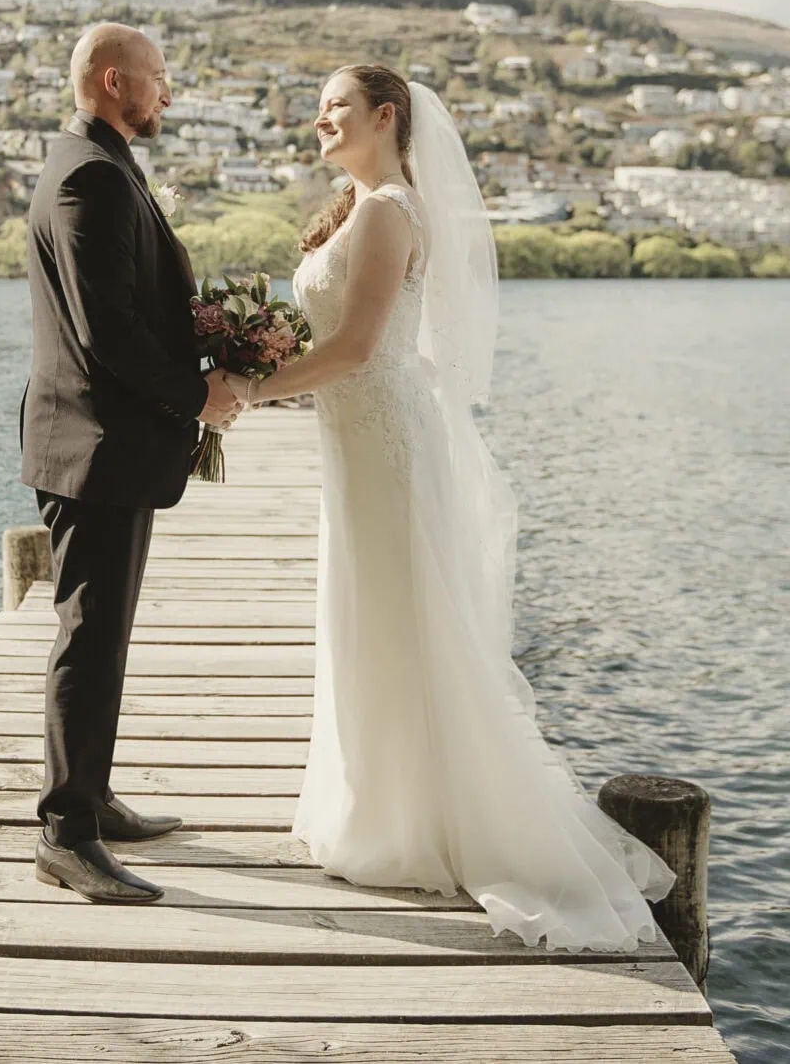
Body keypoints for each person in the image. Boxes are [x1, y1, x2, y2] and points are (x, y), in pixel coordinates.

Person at [235, 63, 678, 950]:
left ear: (385, 116)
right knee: (365, 614)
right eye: (319, 107)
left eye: (336, 108)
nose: (318, 119)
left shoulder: (391, 211)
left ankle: (414, 822)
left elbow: (358, 347)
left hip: (382, 439)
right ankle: (376, 804)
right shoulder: (368, 209)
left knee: (398, 616)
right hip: (356, 440)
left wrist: (246, 388)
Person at [19, 21, 244, 904]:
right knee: (87, 634)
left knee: (105, 634)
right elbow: (104, 330)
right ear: (114, 81)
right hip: (92, 446)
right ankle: (65, 833)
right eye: (158, 78)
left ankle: (93, 797)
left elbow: (135, 305)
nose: (168, 94)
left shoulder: (100, 164)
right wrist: (200, 397)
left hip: (104, 445)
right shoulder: (86, 177)